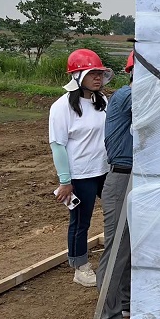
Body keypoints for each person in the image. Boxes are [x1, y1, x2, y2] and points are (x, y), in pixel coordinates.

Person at [49, 48, 113, 287]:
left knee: (117, 213)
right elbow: (58, 145)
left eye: (100, 73)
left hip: (105, 171)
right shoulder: (61, 107)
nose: (98, 77)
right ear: (77, 76)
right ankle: (80, 266)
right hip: (81, 175)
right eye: (92, 73)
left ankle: (117, 256)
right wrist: (65, 181)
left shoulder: (102, 101)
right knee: (80, 222)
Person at [96, 51, 134, 319]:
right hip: (122, 179)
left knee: (132, 247)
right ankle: (108, 318)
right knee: (117, 248)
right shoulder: (127, 95)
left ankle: (126, 302)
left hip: (136, 179)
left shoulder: (135, 95)